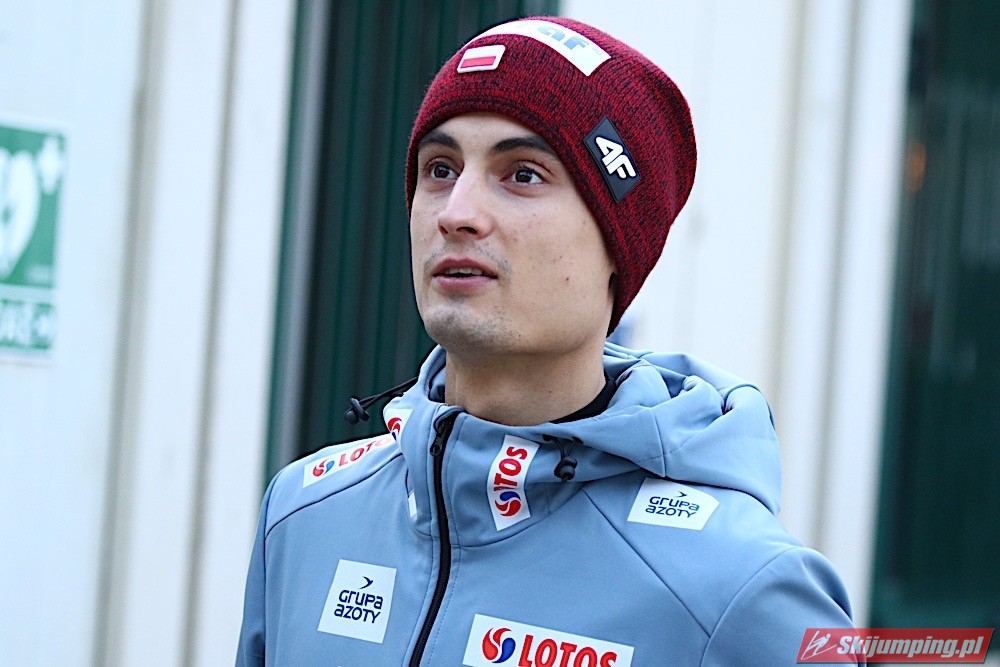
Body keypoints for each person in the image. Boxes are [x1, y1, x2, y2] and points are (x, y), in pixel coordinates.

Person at [237, 16, 857, 666]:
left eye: (523, 174)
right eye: (440, 169)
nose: (457, 212)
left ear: (619, 247)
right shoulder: (301, 515)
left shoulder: (739, 588)